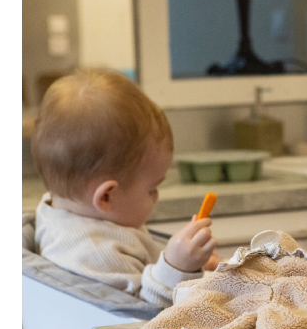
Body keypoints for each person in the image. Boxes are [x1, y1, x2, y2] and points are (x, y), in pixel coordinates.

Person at [32, 69, 217, 308]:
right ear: (106, 196)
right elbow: (141, 321)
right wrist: (177, 269)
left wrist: (192, 266)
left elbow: (140, 262)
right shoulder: (93, 254)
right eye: (152, 189)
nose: (157, 197)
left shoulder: (59, 211)